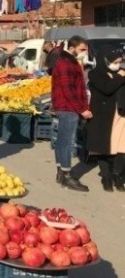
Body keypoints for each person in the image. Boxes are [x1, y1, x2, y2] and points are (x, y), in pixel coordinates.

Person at [51, 35, 92, 192]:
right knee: (66, 143)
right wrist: (82, 109)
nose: (84, 53)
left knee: (62, 142)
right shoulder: (66, 63)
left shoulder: (69, 62)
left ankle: (61, 172)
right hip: (68, 108)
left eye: (86, 50)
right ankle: (67, 175)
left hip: (66, 107)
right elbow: (69, 90)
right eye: (82, 49)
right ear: (72, 47)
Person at [86, 47, 125, 192]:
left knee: (121, 147)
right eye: (115, 62)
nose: (118, 64)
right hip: (103, 117)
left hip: (120, 115)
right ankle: (106, 177)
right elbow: (106, 88)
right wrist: (120, 77)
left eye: (120, 62)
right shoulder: (95, 74)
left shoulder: (120, 72)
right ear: (105, 61)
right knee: (102, 148)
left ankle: (117, 175)